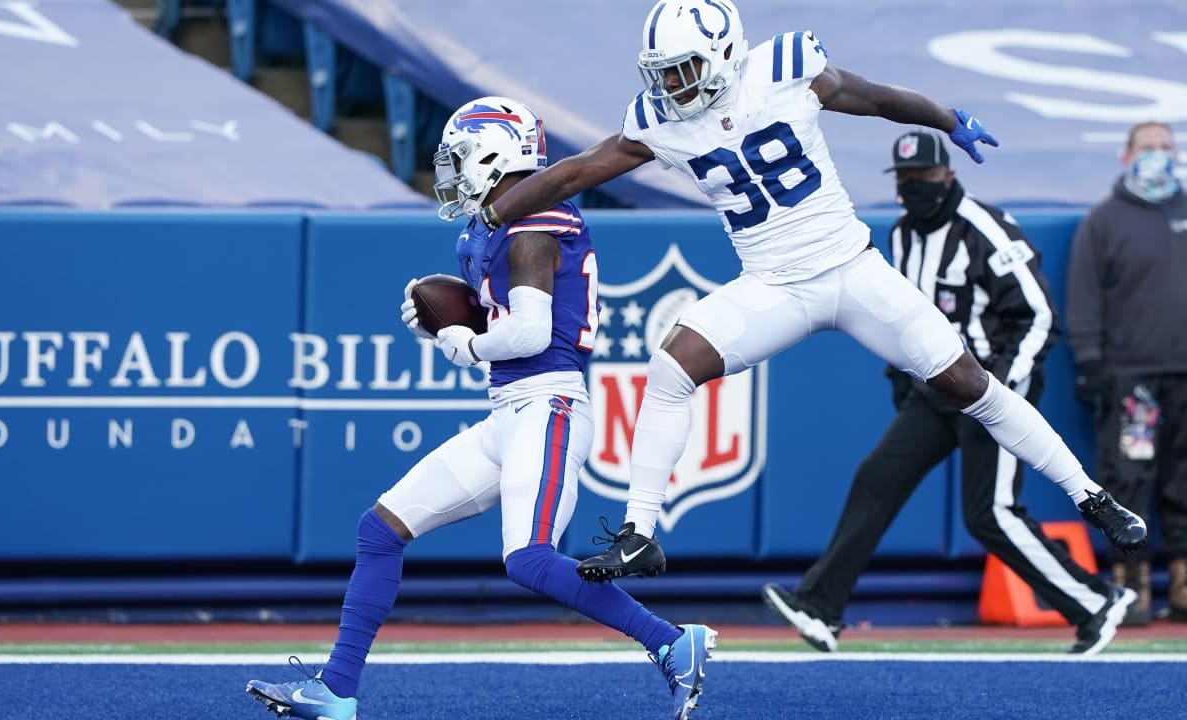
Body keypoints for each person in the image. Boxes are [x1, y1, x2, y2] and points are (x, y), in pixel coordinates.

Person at [471, 0, 1148, 582]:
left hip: (853, 271)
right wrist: (494, 212)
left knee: (974, 386)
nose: (674, 86)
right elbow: (574, 174)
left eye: (685, 70)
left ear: (728, 55)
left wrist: (947, 118)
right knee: (671, 368)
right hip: (771, 285)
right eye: (664, 73)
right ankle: (639, 532)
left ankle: (1091, 497)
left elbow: (878, 98)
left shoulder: (783, 69)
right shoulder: (659, 119)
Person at [244, 96, 716, 720]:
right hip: (511, 414)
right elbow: (497, 313)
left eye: (460, 157)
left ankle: (672, 642)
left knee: (528, 560)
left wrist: (461, 342)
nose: (452, 172)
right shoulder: (500, 222)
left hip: (548, 407)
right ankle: (336, 691)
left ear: (499, 153)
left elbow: (528, 334)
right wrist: (449, 320)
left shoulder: (533, 220)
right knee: (379, 531)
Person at [761, 129, 1137, 656]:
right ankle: (820, 606)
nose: (916, 186)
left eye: (925, 176)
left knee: (991, 513)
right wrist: (900, 378)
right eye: (907, 178)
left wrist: (1001, 389)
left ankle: (1095, 600)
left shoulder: (986, 230)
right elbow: (895, 317)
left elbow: (1037, 315)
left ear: (949, 174)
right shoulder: (901, 235)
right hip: (934, 387)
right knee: (878, 479)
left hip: (991, 386)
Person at [1067, 120, 1187, 625]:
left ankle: (1182, 577)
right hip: (1132, 379)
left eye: (1166, 147)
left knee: (1184, 476)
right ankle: (1130, 576)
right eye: (1147, 147)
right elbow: (1084, 297)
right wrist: (1090, 360)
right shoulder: (1105, 221)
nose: (1157, 155)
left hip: (1185, 375)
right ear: (1126, 156)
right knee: (1129, 475)